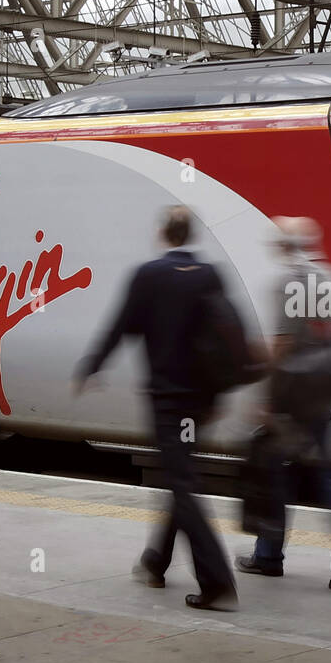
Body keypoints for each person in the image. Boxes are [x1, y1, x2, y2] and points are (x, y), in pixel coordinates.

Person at [72, 206, 238, 611]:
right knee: (179, 477)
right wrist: (219, 398)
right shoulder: (211, 275)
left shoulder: (149, 275)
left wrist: (92, 366)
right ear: (190, 234)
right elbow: (225, 339)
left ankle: (217, 582)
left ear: (165, 233)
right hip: (199, 403)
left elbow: (119, 326)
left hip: (168, 400)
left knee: (182, 484)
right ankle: (155, 562)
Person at [236, 216, 331, 592]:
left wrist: (264, 401)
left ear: (284, 247)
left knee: (273, 472)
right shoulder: (329, 277)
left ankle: (268, 556)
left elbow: (282, 347)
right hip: (322, 395)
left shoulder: (286, 284)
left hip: (292, 398)